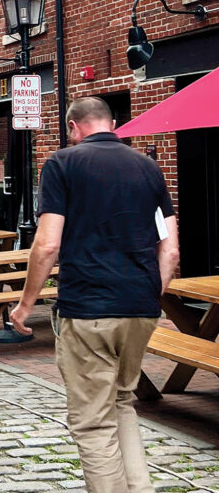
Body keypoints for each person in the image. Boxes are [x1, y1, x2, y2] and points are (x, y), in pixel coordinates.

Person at [10, 97, 179, 493]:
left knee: (92, 421)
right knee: (122, 403)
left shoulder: (62, 164)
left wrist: (25, 305)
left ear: (73, 127)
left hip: (89, 309)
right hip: (141, 307)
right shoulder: (149, 168)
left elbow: (47, 245)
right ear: (113, 123)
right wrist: (151, 295)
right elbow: (170, 250)